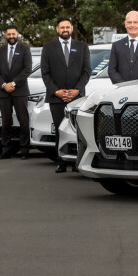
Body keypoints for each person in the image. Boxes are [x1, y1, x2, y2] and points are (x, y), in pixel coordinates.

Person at [41, 17, 91, 173]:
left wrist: (77, 90)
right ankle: (61, 161)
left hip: (77, 98)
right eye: (62, 27)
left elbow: (86, 71)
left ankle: (77, 162)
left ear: (71, 28)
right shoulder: (48, 48)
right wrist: (57, 91)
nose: (65, 30)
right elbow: (45, 73)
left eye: (67, 27)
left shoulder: (82, 47)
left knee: (78, 131)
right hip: (56, 98)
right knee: (60, 129)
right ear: (57, 29)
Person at [0, 25, 33, 160]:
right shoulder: (0, 51)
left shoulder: (25, 49)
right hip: (4, 91)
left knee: (23, 121)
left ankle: (24, 150)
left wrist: (13, 83)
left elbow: (27, 69)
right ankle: (6, 150)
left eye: (13, 34)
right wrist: (4, 85)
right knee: (5, 122)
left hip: (20, 90)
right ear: (5, 35)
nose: (11, 36)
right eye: (9, 34)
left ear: (17, 34)